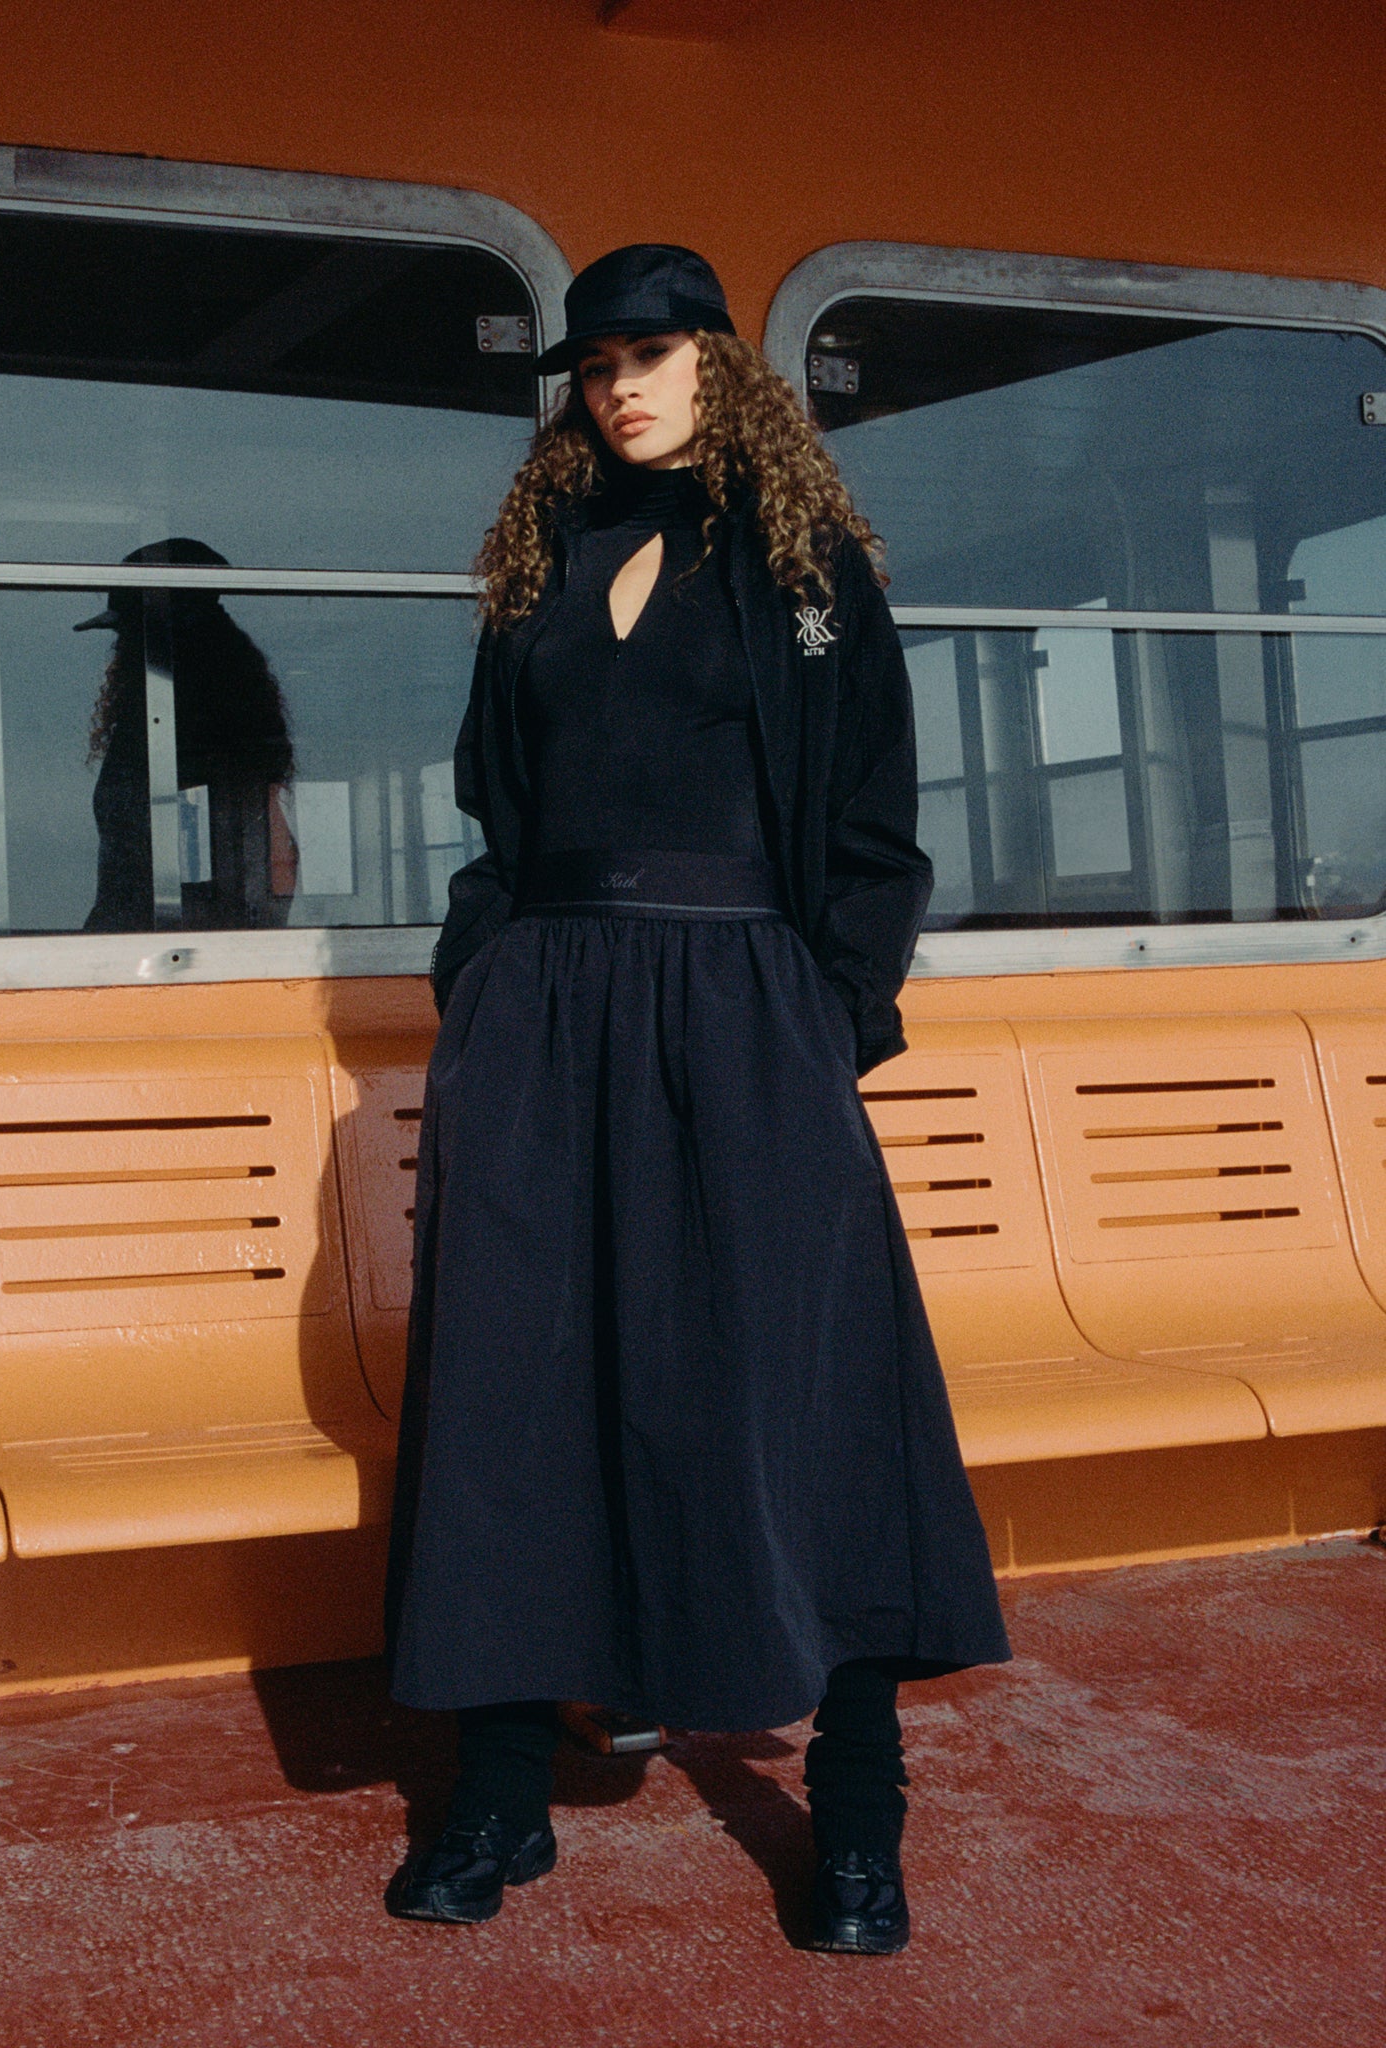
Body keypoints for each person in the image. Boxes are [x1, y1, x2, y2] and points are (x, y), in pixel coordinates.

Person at [383, 246, 1010, 1954]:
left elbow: (870, 818)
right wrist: (479, 988)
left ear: (721, 368)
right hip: (544, 1014)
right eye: (595, 368)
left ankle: (859, 1819)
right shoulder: (541, 566)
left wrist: (822, 1016)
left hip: (745, 1006)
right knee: (517, 1393)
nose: (619, 390)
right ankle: (499, 1794)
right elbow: (496, 808)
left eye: (649, 358)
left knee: (809, 1390)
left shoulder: (804, 570)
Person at [78, 537, 297, 932]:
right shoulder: (231, 715)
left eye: (129, 634)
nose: (120, 650)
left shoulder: (171, 722)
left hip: (176, 940)